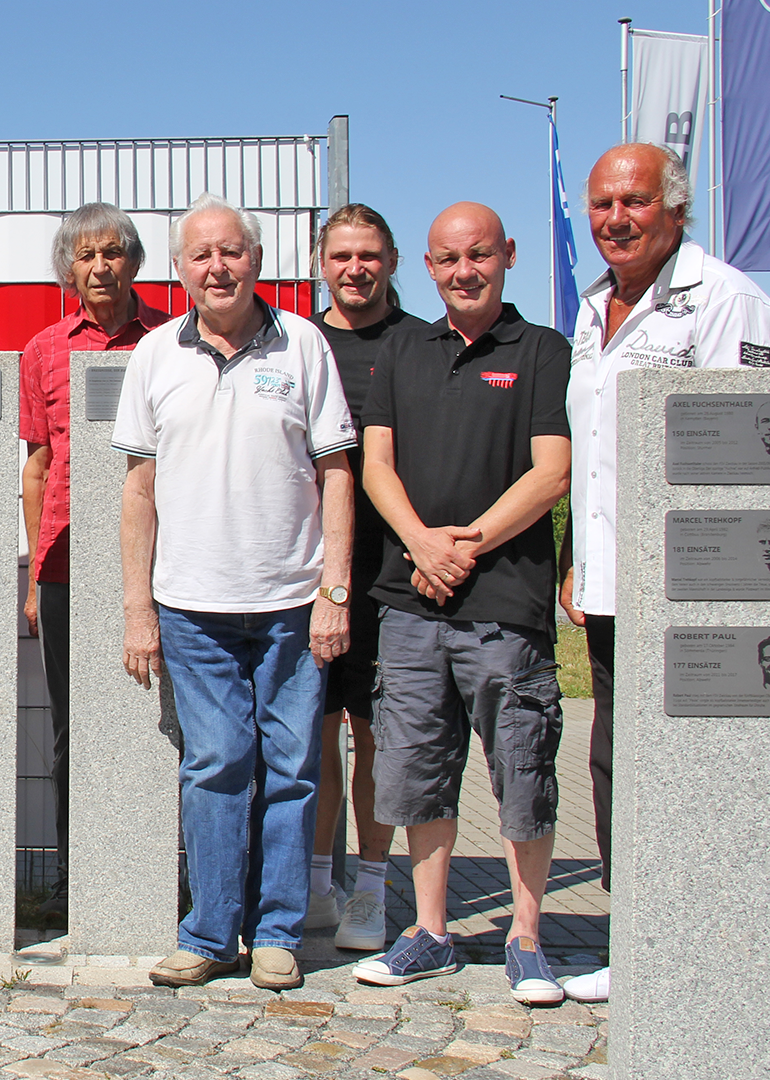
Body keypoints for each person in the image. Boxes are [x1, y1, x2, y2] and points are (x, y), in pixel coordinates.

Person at [114, 193, 355, 992]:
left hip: (291, 601)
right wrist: (137, 607)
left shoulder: (305, 345)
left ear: (256, 259)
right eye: (201, 255)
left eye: (233, 251)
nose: (218, 267)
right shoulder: (153, 355)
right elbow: (139, 491)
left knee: (291, 767)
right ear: (180, 270)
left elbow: (337, 473)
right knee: (216, 763)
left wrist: (335, 591)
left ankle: (278, 931)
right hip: (192, 606)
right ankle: (211, 932)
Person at [560, 142, 770, 1003]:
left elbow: (746, 458)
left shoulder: (729, 301)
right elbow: (597, 457)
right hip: (611, 582)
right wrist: (578, 556)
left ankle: (716, 939)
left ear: (676, 209)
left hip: (693, 589)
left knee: (700, 765)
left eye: (635, 201)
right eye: (603, 204)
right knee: (617, 762)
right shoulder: (591, 307)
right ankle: (642, 936)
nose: (616, 218)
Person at [349, 203, 573, 1006]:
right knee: (416, 770)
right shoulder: (403, 347)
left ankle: (527, 937)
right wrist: (419, 544)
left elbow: (552, 473)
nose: (463, 270)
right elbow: (377, 464)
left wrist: (463, 545)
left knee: (520, 766)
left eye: (478, 255)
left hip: (503, 604)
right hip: (410, 604)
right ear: (430, 266)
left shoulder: (542, 350)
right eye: (447, 258)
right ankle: (432, 932)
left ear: (506, 256)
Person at [21, 202, 170, 914]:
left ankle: (150, 871)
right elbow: (37, 466)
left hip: (161, 558)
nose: (100, 267)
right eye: (86, 256)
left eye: (113, 252)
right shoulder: (44, 351)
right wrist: (30, 575)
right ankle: (72, 875)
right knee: (68, 726)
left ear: (135, 262)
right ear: (68, 269)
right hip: (63, 560)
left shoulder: (172, 341)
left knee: (158, 717)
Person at [306, 204, 407, 953]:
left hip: (392, 576)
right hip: (302, 571)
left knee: (375, 736)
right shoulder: (296, 342)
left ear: (392, 261)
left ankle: (371, 889)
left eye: (368, 254)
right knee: (312, 733)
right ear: (321, 262)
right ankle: (313, 883)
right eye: (341, 255)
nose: (354, 268)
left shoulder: (422, 345)